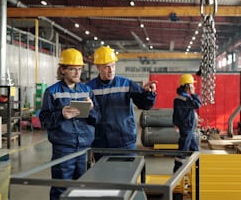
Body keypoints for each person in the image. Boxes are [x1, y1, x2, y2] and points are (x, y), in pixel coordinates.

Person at [39, 48, 100, 200]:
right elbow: (44, 120)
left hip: (84, 148)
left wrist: (91, 109)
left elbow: (97, 118)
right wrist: (61, 115)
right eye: (73, 69)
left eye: (79, 69)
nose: (77, 73)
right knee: (61, 189)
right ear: (63, 70)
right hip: (63, 149)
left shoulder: (87, 91)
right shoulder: (52, 92)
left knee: (83, 188)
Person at [86, 46, 157, 160]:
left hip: (125, 141)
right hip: (101, 143)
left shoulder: (126, 84)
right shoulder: (89, 88)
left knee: (127, 175)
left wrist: (149, 94)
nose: (111, 70)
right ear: (98, 67)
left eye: (113, 66)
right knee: (103, 177)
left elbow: (144, 104)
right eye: (106, 67)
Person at [172, 74, 202, 173]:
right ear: (187, 86)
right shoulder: (185, 99)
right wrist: (193, 93)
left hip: (187, 127)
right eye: (192, 85)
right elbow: (197, 104)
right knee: (183, 150)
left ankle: (198, 169)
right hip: (187, 127)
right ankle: (177, 172)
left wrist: (175, 123)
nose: (193, 86)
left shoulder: (179, 97)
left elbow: (175, 113)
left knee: (195, 149)